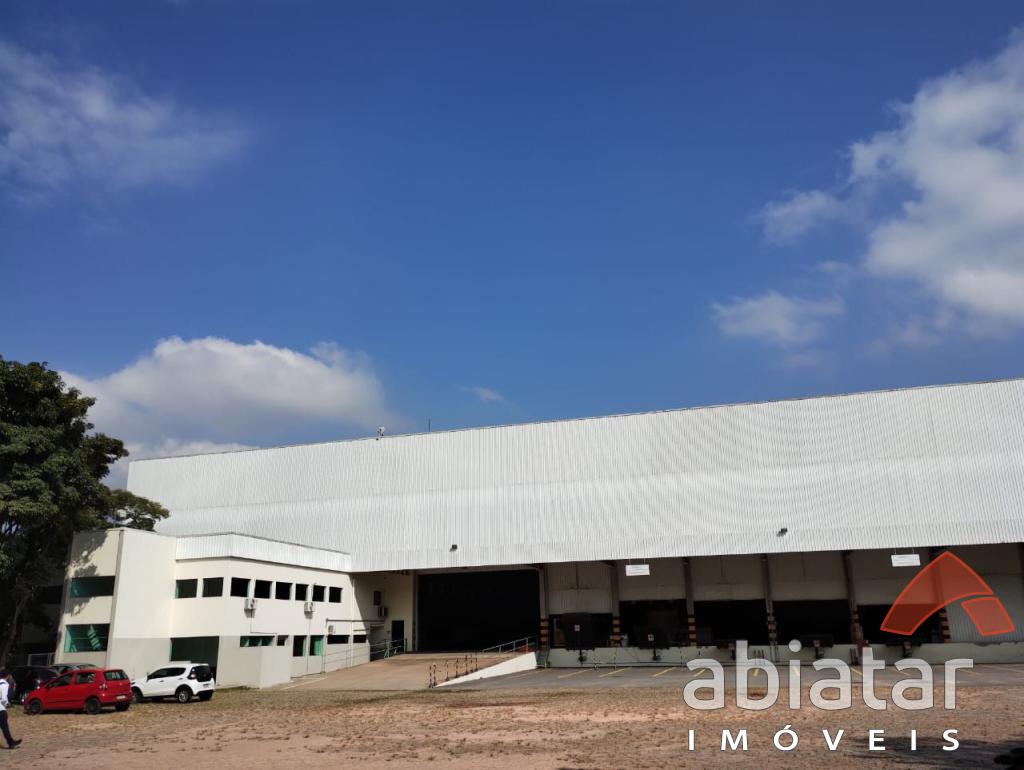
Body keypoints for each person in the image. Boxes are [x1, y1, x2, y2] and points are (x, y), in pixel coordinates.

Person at [0, 668, 22, 750]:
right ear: (8, 676)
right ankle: (11, 742)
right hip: (1, 709)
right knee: (5, 727)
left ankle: (11, 742)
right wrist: (7, 704)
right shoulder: (5, 684)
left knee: (4, 727)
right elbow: (4, 699)